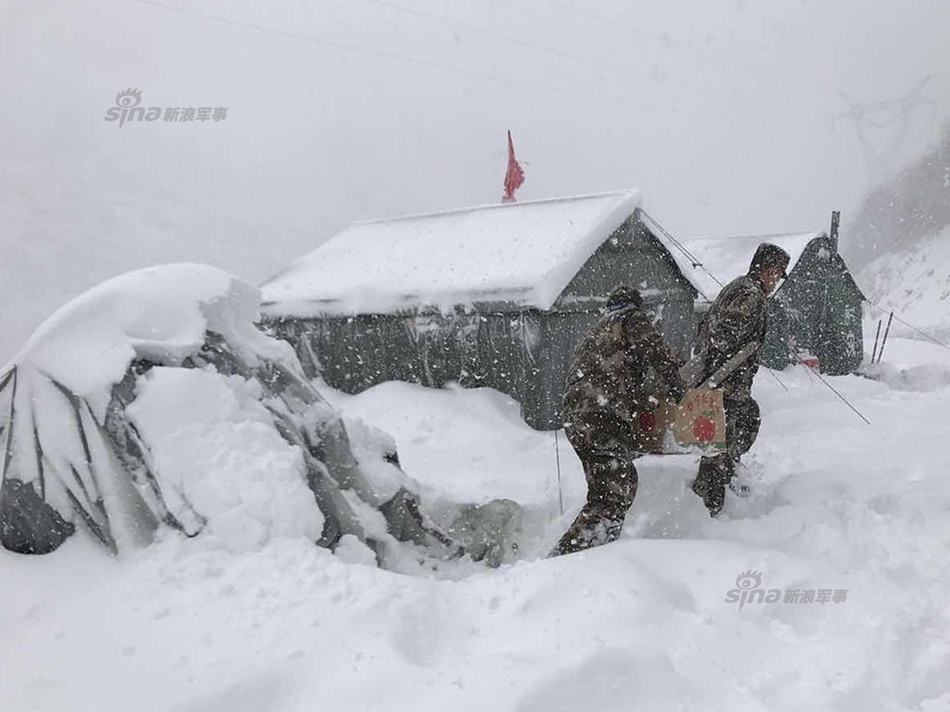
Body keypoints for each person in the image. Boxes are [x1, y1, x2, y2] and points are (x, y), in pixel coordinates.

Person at [551, 285, 687, 556]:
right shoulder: (630, 319)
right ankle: (565, 561)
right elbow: (654, 352)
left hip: (580, 419)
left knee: (623, 481)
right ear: (635, 305)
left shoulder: (596, 332)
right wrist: (678, 387)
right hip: (600, 416)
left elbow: (618, 377)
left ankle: (598, 550)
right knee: (610, 498)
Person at [690, 242, 791, 517]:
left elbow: (708, 330)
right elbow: (724, 336)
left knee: (741, 423)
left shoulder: (736, 286)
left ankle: (723, 481)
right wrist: (727, 366)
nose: (776, 281)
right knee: (720, 444)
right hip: (725, 384)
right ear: (767, 270)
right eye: (776, 273)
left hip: (717, 380)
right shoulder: (750, 296)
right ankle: (710, 508)